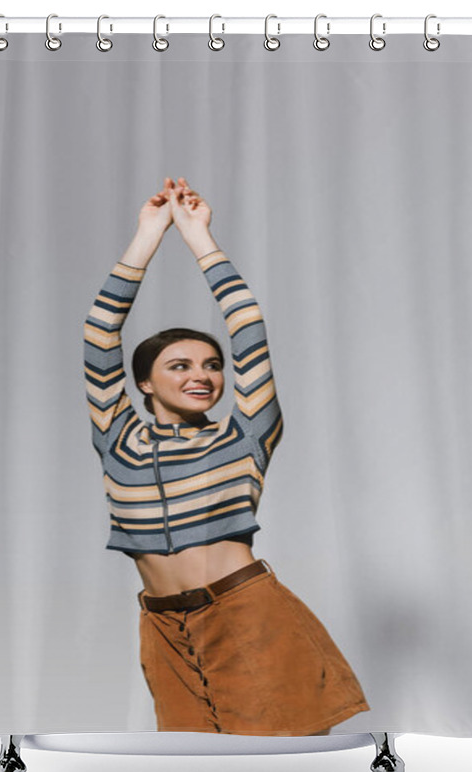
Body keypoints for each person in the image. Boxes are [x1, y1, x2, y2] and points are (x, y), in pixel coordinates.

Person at [84, 176, 369, 735]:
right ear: (143, 383)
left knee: (274, 765)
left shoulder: (244, 436)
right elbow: (100, 331)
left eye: (212, 365)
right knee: (193, 771)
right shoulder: (119, 438)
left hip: (246, 613)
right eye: (180, 365)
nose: (203, 376)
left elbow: (248, 328)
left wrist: (199, 239)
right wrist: (147, 235)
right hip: (164, 627)